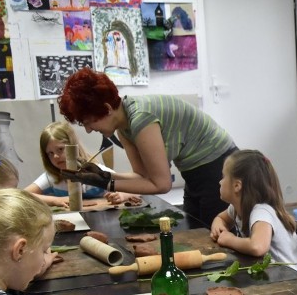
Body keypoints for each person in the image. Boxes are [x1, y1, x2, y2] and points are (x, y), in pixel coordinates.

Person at [57, 68, 237, 225]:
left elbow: (162, 184)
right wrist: (104, 175)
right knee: (194, 229)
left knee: (210, 240)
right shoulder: (124, 126)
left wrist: (109, 184)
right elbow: (142, 175)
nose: (88, 130)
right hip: (195, 171)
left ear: (107, 108)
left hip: (218, 167)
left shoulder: (141, 119)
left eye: (89, 121)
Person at [210, 149, 297, 274]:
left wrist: (229, 239)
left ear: (237, 186)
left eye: (223, 176)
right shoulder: (235, 208)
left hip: (291, 280)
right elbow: (221, 218)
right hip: (271, 275)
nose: (220, 181)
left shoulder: (261, 212)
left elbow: (258, 247)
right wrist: (218, 226)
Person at [25, 121, 138, 207]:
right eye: (50, 153)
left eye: (60, 149)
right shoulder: (51, 178)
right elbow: (21, 196)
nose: (55, 156)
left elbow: (137, 187)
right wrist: (56, 200)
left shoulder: (97, 172)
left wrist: (122, 195)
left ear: (74, 147)